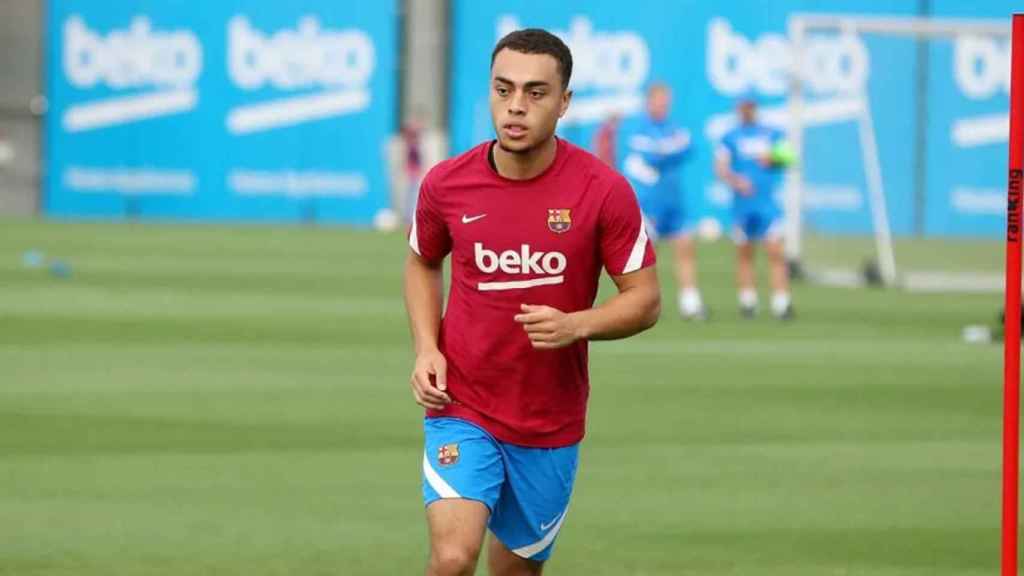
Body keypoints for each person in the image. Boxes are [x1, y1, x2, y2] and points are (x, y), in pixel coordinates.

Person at [403, 28, 661, 576]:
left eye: (536, 93)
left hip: (549, 421)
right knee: (452, 558)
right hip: (462, 404)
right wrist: (426, 347)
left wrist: (577, 325)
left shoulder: (603, 192)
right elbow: (423, 260)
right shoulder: (446, 184)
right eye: (503, 89)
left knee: (515, 571)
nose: (516, 106)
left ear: (564, 102)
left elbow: (645, 300)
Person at [621, 83, 706, 320]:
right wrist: (669, 152)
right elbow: (651, 157)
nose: (663, 105)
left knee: (685, 248)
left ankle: (691, 303)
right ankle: (639, 303)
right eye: (659, 101)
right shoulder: (638, 129)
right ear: (649, 101)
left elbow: (689, 147)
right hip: (649, 203)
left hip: (674, 201)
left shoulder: (673, 127)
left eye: (666, 101)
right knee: (647, 257)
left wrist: (666, 153)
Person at [714, 95, 794, 320]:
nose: (747, 110)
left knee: (776, 252)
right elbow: (720, 167)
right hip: (743, 205)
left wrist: (775, 158)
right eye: (743, 106)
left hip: (767, 203)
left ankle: (782, 303)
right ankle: (748, 302)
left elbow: (790, 157)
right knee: (745, 254)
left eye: (751, 106)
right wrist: (736, 181)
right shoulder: (730, 137)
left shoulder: (772, 134)